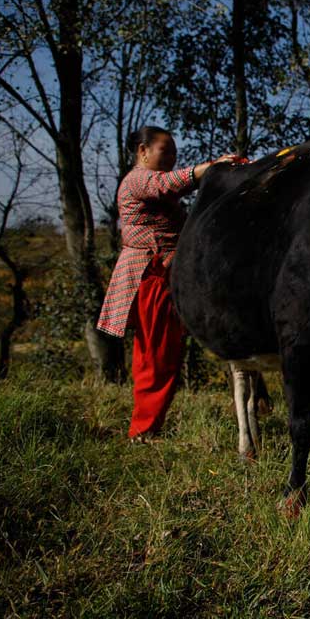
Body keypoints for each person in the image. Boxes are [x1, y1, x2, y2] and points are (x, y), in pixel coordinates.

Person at [97, 126, 243, 441]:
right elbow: (166, 185)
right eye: (165, 150)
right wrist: (210, 168)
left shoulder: (147, 181)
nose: (172, 157)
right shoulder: (138, 179)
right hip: (151, 276)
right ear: (142, 151)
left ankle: (147, 426)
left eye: (174, 151)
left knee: (160, 352)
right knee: (157, 355)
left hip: (164, 274)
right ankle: (143, 431)